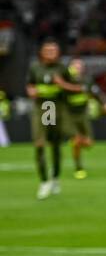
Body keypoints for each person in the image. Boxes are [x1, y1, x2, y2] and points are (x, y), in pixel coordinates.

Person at [26, 39, 79, 199]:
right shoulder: (35, 68)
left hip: (56, 109)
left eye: (54, 51)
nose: (51, 54)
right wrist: (31, 91)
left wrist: (62, 84)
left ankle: (55, 177)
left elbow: (77, 88)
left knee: (55, 145)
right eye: (48, 51)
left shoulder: (62, 69)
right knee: (39, 144)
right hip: (42, 108)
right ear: (42, 53)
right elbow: (30, 85)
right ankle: (44, 181)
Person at [63, 58, 106, 179]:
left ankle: (76, 141)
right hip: (69, 115)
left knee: (89, 143)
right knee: (77, 141)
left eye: (80, 66)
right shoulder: (65, 80)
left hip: (83, 114)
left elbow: (96, 93)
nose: (78, 68)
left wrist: (105, 103)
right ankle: (78, 167)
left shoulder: (87, 80)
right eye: (76, 66)